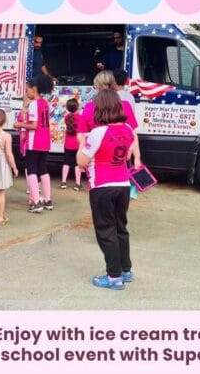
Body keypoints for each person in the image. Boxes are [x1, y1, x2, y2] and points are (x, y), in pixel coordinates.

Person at [77, 89, 142, 290]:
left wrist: (81, 144)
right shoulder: (128, 130)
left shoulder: (98, 132)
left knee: (106, 231)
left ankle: (113, 276)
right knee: (120, 227)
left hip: (102, 186)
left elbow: (81, 162)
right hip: (122, 185)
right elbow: (126, 157)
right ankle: (125, 269)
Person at [13, 74, 55, 213]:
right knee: (43, 169)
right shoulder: (45, 103)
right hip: (45, 140)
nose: (26, 93)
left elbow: (34, 125)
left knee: (31, 170)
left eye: (27, 90)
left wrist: (19, 123)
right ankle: (48, 200)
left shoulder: (33, 104)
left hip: (34, 140)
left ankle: (36, 202)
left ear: (34, 89)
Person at [78, 71, 138, 147]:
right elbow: (133, 133)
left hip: (96, 153)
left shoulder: (89, 107)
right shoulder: (126, 105)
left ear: (98, 88)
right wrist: (136, 156)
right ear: (114, 85)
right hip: (120, 153)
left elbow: (82, 135)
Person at [0, 109, 19, 225]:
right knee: (1, 192)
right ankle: (0, 218)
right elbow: (9, 154)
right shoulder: (7, 136)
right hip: (2, 164)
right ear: (4, 121)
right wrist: (14, 168)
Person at [61, 98, 83, 191]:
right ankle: (77, 184)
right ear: (77, 107)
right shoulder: (80, 117)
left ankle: (63, 182)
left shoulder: (66, 117)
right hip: (77, 143)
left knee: (66, 162)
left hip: (67, 143)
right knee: (77, 164)